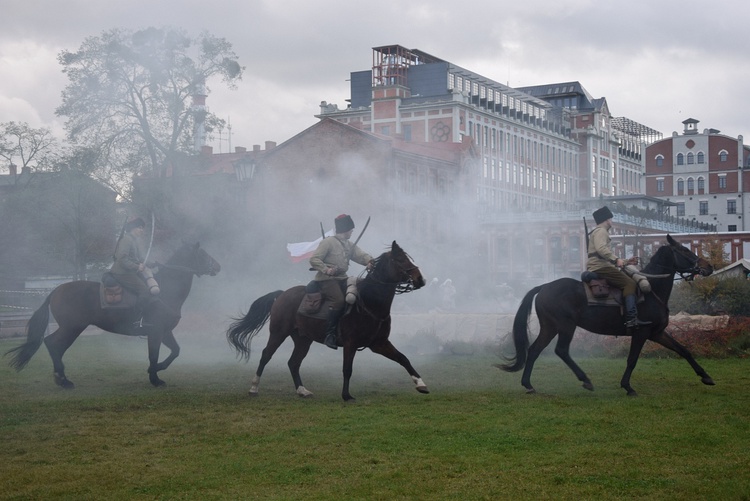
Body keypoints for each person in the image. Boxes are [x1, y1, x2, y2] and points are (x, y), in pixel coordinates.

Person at [309, 214, 374, 349]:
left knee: (358, 294)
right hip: (326, 280)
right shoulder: (328, 242)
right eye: (351, 230)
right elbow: (314, 259)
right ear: (346, 229)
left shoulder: (349, 245)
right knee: (338, 300)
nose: (352, 232)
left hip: (342, 278)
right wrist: (327, 270)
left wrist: (369, 261)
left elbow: (361, 255)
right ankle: (330, 334)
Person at [587, 206, 651, 328]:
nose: (612, 221)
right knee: (630, 284)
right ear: (606, 219)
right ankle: (631, 318)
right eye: (611, 219)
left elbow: (604, 254)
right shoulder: (601, 231)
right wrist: (616, 259)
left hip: (599, 265)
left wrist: (627, 261)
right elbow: (601, 250)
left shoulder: (598, 231)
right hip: (600, 267)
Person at [109, 217, 160, 307]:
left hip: (129, 272)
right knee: (144, 291)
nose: (141, 231)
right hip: (122, 273)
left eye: (142, 228)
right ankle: (137, 317)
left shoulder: (133, 240)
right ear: (133, 228)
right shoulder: (127, 240)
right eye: (140, 228)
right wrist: (137, 267)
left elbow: (139, 258)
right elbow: (122, 259)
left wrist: (151, 264)